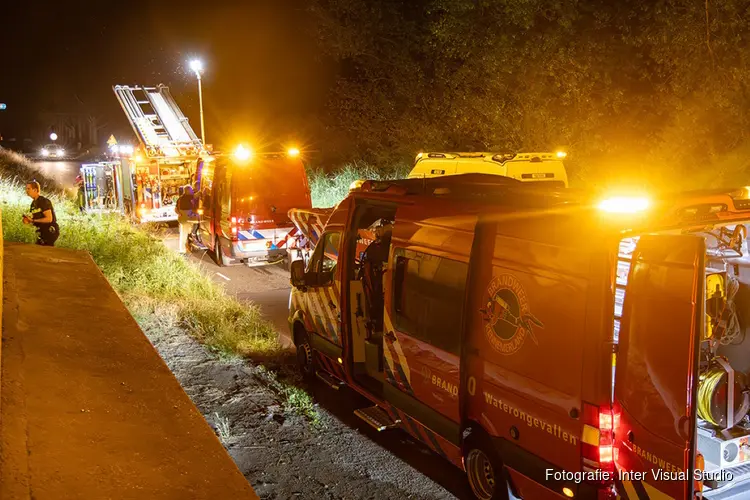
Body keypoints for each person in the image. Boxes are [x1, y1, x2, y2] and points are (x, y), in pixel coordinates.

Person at [23, 180, 60, 246]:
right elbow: (35, 218)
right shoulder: (33, 204)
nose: (26, 190)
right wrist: (28, 220)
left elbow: (49, 219)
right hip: (41, 231)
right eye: (26, 189)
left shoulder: (43, 201)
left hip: (49, 230)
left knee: (46, 251)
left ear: (35, 190)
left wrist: (33, 220)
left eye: (29, 189)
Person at [175, 185, 195, 255]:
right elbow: (196, 196)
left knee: (184, 233)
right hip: (186, 219)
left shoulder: (180, 198)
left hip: (183, 219)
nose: (192, 191)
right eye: (191, 190)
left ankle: (184, 248)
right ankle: (182, 250)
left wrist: (179, 214)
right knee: (184, 234)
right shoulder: (187, 197)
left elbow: (176, 209)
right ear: (187, 191)